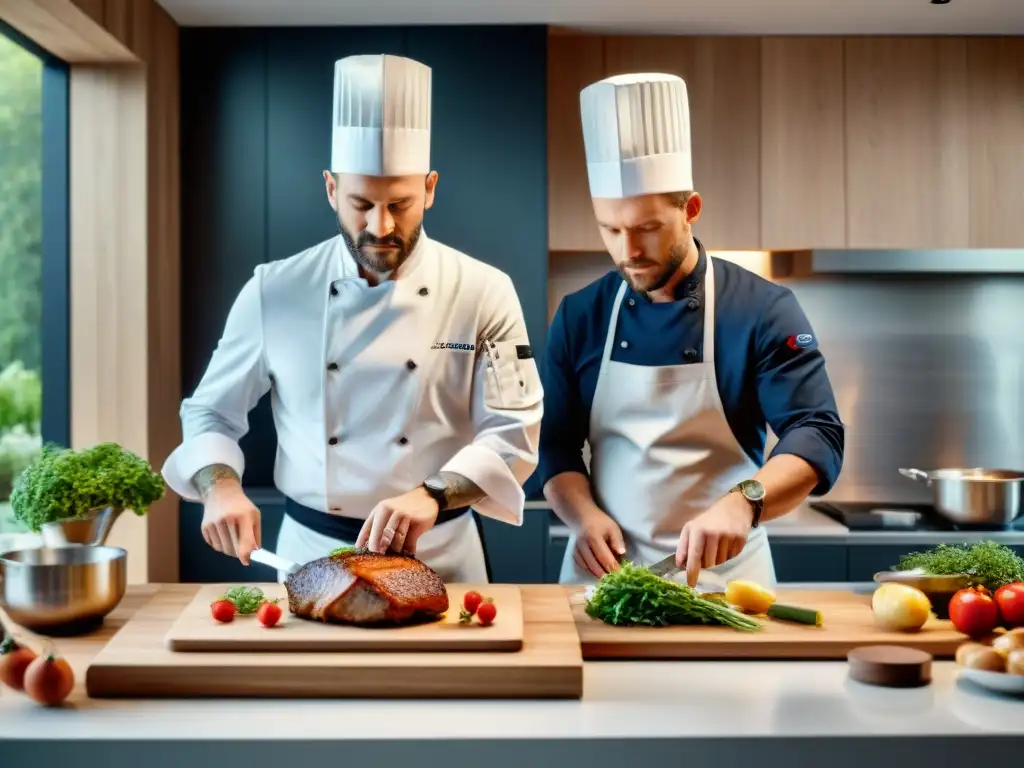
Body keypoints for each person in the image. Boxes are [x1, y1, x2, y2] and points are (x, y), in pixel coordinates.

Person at [161, 53, 543, 583]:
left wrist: (432, 494)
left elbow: (514, 431)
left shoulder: (483, 290)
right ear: (331, 189)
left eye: (401, 204)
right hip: (312, 554)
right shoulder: (275, 290)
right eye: (361, 203)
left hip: (442, 555)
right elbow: (209, 414)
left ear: (430, 189)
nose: (380, 226)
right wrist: (219, 487)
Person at [538, 72, 844, 590]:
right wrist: (582, 517)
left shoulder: (763, 310)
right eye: (610, 230)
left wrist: (745, 502)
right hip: (601, 580)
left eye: (648, 228)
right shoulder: (579, 316)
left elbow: (816, 432)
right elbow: (556, 448)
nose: (628, 250)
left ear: (691, 210)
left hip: (726, 581)